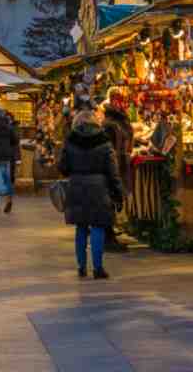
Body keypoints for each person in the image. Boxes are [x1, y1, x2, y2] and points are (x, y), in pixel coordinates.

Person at [58, 108, 124, 280]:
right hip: (99, 188)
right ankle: (98, 268)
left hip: (77, 186)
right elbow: (113, 171)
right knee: (97, 227)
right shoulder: (104, 142)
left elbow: (62, 168)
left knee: (80, 227)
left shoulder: (70, 141)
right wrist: (118, 193)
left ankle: (81, 266)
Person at [100, 99, 135, 253]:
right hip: (112, 167)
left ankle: (109, 235)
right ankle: (108, 238)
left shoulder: (109, 125)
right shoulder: (112, 127)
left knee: (111, 201)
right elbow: (112, 149)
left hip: (112, 166)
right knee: (110, 201)